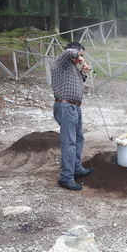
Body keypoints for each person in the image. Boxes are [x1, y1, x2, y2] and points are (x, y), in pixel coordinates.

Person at [51, 42, 94, 190]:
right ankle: (66, 177)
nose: (80, 58)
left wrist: (83, 71)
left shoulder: (72, 69)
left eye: (81, 56)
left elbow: (79, 83)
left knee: (78, 139)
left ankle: (76, 169)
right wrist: (77, 56)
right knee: (69, 142)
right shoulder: (61, 62)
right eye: (80, 55)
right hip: (65, 106)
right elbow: (69, 52)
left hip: (75, 107)